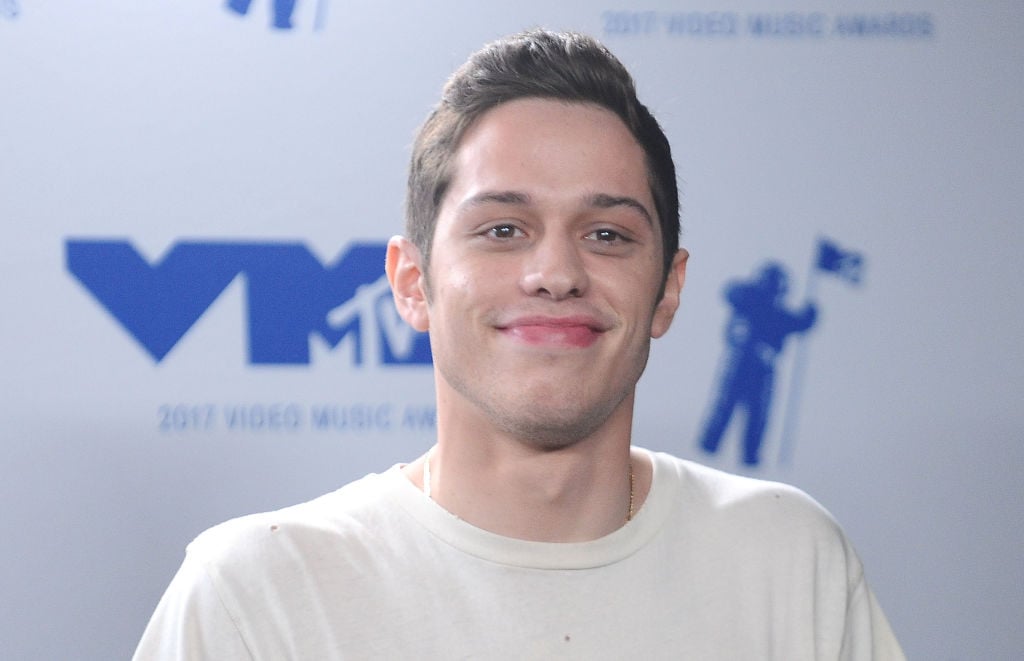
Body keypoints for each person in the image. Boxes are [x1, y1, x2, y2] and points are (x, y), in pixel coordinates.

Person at [133, 29, 905, 659]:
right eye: (503, 229)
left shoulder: (787, 561)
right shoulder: (256, 595)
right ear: (410, 282)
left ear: (667, 289)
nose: (556, 272)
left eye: (607, 233)